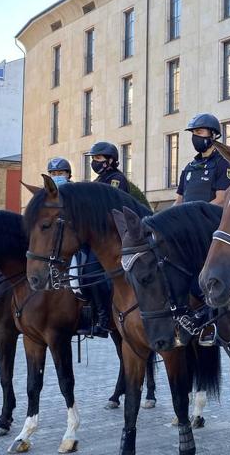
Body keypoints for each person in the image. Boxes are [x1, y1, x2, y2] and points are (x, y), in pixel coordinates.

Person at [82, 143, 130, 337]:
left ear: (110, 160)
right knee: (84, 277)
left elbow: (110, 207)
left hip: (112, 239)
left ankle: (104, 319)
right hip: (96, 238)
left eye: (99, 158)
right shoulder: (98, 180)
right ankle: (93, 315)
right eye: (93, 159)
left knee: (94, 276)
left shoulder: (116, 179)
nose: (95, 162)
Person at [175, 113, 230, 205]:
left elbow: (222, 200)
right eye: (193, 133)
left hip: (211, 218)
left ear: (213, 135)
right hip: (187, 218)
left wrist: (196, 214)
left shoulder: (224, 164)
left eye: (199, 132)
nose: (195, 137)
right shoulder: (189, 167)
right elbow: (179, 201)